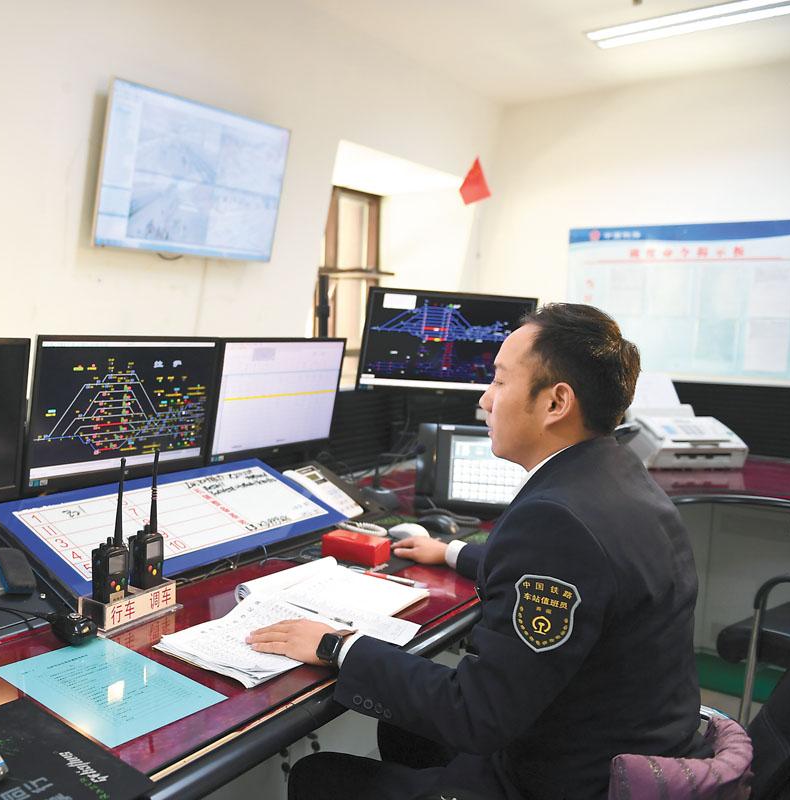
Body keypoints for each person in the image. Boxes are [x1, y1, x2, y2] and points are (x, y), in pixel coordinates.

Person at [247, 303, 702, 800]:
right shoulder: (616, 476)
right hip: (620, 745)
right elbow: (582, 578)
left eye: (500, 381)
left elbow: (476, 716)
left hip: (565, 784)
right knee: (404, 727)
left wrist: (337, 646)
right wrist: (452, 552)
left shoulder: (556, 521)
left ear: (556, 403)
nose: (485, 399)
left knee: (319, 777)